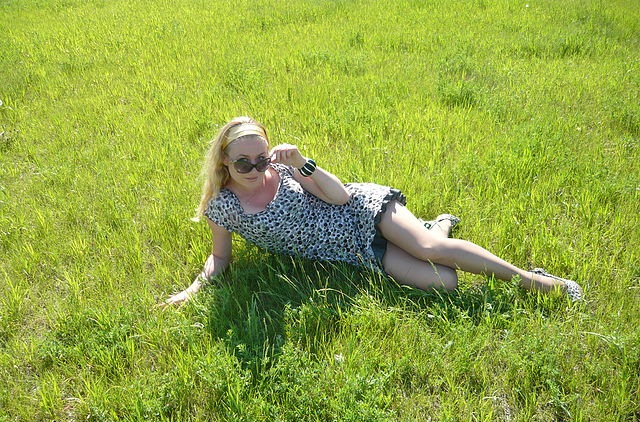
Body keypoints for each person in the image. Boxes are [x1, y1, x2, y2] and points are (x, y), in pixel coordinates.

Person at [163, 116, 582, 306]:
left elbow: (340, 197)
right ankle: (436, 227)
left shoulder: (284, 170)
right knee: (445, 282)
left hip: (362, 212)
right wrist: (192, 291)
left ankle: (535, 281)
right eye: (244, 164)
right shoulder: (223, 207)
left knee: (430, 250)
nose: (256, 169)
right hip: (352, 250)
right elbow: (220, 258)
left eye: (261, 158)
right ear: (224, 162)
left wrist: (303, 163)